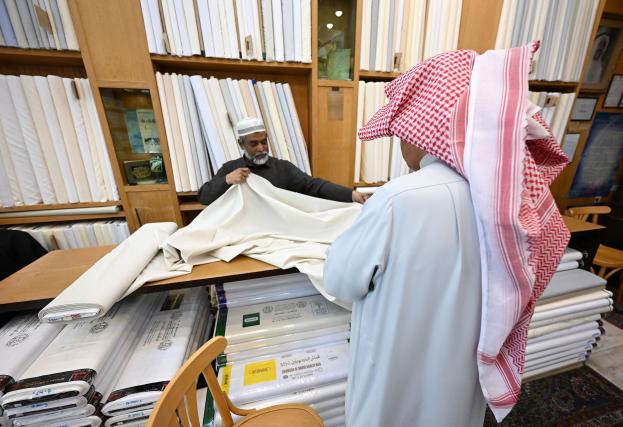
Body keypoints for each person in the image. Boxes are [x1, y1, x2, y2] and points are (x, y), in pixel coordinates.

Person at [324, 42, 570, 426]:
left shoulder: (399, 200)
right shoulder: (513, 205)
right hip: (461, 381)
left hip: (393, 383)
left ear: (425, 128)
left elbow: (340, 281)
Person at [197, 117, 368, 205]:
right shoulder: (231, 168)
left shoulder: (283, 168)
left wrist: (350, 194)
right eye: (253, 144)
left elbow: (314, 186)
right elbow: (204, 197)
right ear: (241, 144)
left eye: (264, 142)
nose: (261, 148)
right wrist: (227, 180)